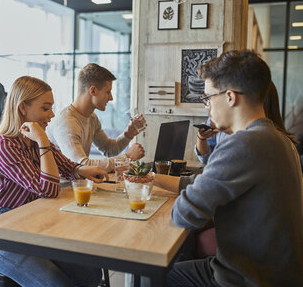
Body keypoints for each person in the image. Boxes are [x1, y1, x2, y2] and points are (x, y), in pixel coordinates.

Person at [166, 50, 303, 286]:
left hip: (248, 278)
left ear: (230, 97)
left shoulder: (244, 144)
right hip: (280, 273)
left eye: (208, 97)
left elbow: (184, 213)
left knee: (153, 276)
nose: (207, 106)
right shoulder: (279, 139)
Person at [0, 75, 107, 287]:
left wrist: (87, 170)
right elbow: (47, 189)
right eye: (45, 108)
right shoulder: (4, 145)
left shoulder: (34, 140)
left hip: (33, 222)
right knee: (56, 284)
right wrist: (42, 140)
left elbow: (68, 167)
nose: (52, 114)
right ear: (23, 108)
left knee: (91, 275)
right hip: (3, 230)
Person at [47, 63, 146, 172]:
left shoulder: (92, 117)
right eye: (108, 92)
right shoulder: (66, 122)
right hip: (63, 186)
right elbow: (82, 165)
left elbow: (108, 149)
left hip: (80, 184)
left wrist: (129, 133)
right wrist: (127, 158)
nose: (111, 98)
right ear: (93, 91)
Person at [195, 81, 298, 164]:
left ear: (231, 97)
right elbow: (208, 161)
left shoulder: (247, 144)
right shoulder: (283, 141)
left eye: (210, 98)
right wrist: (202, 138)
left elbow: (212, 183)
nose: (207, 106)